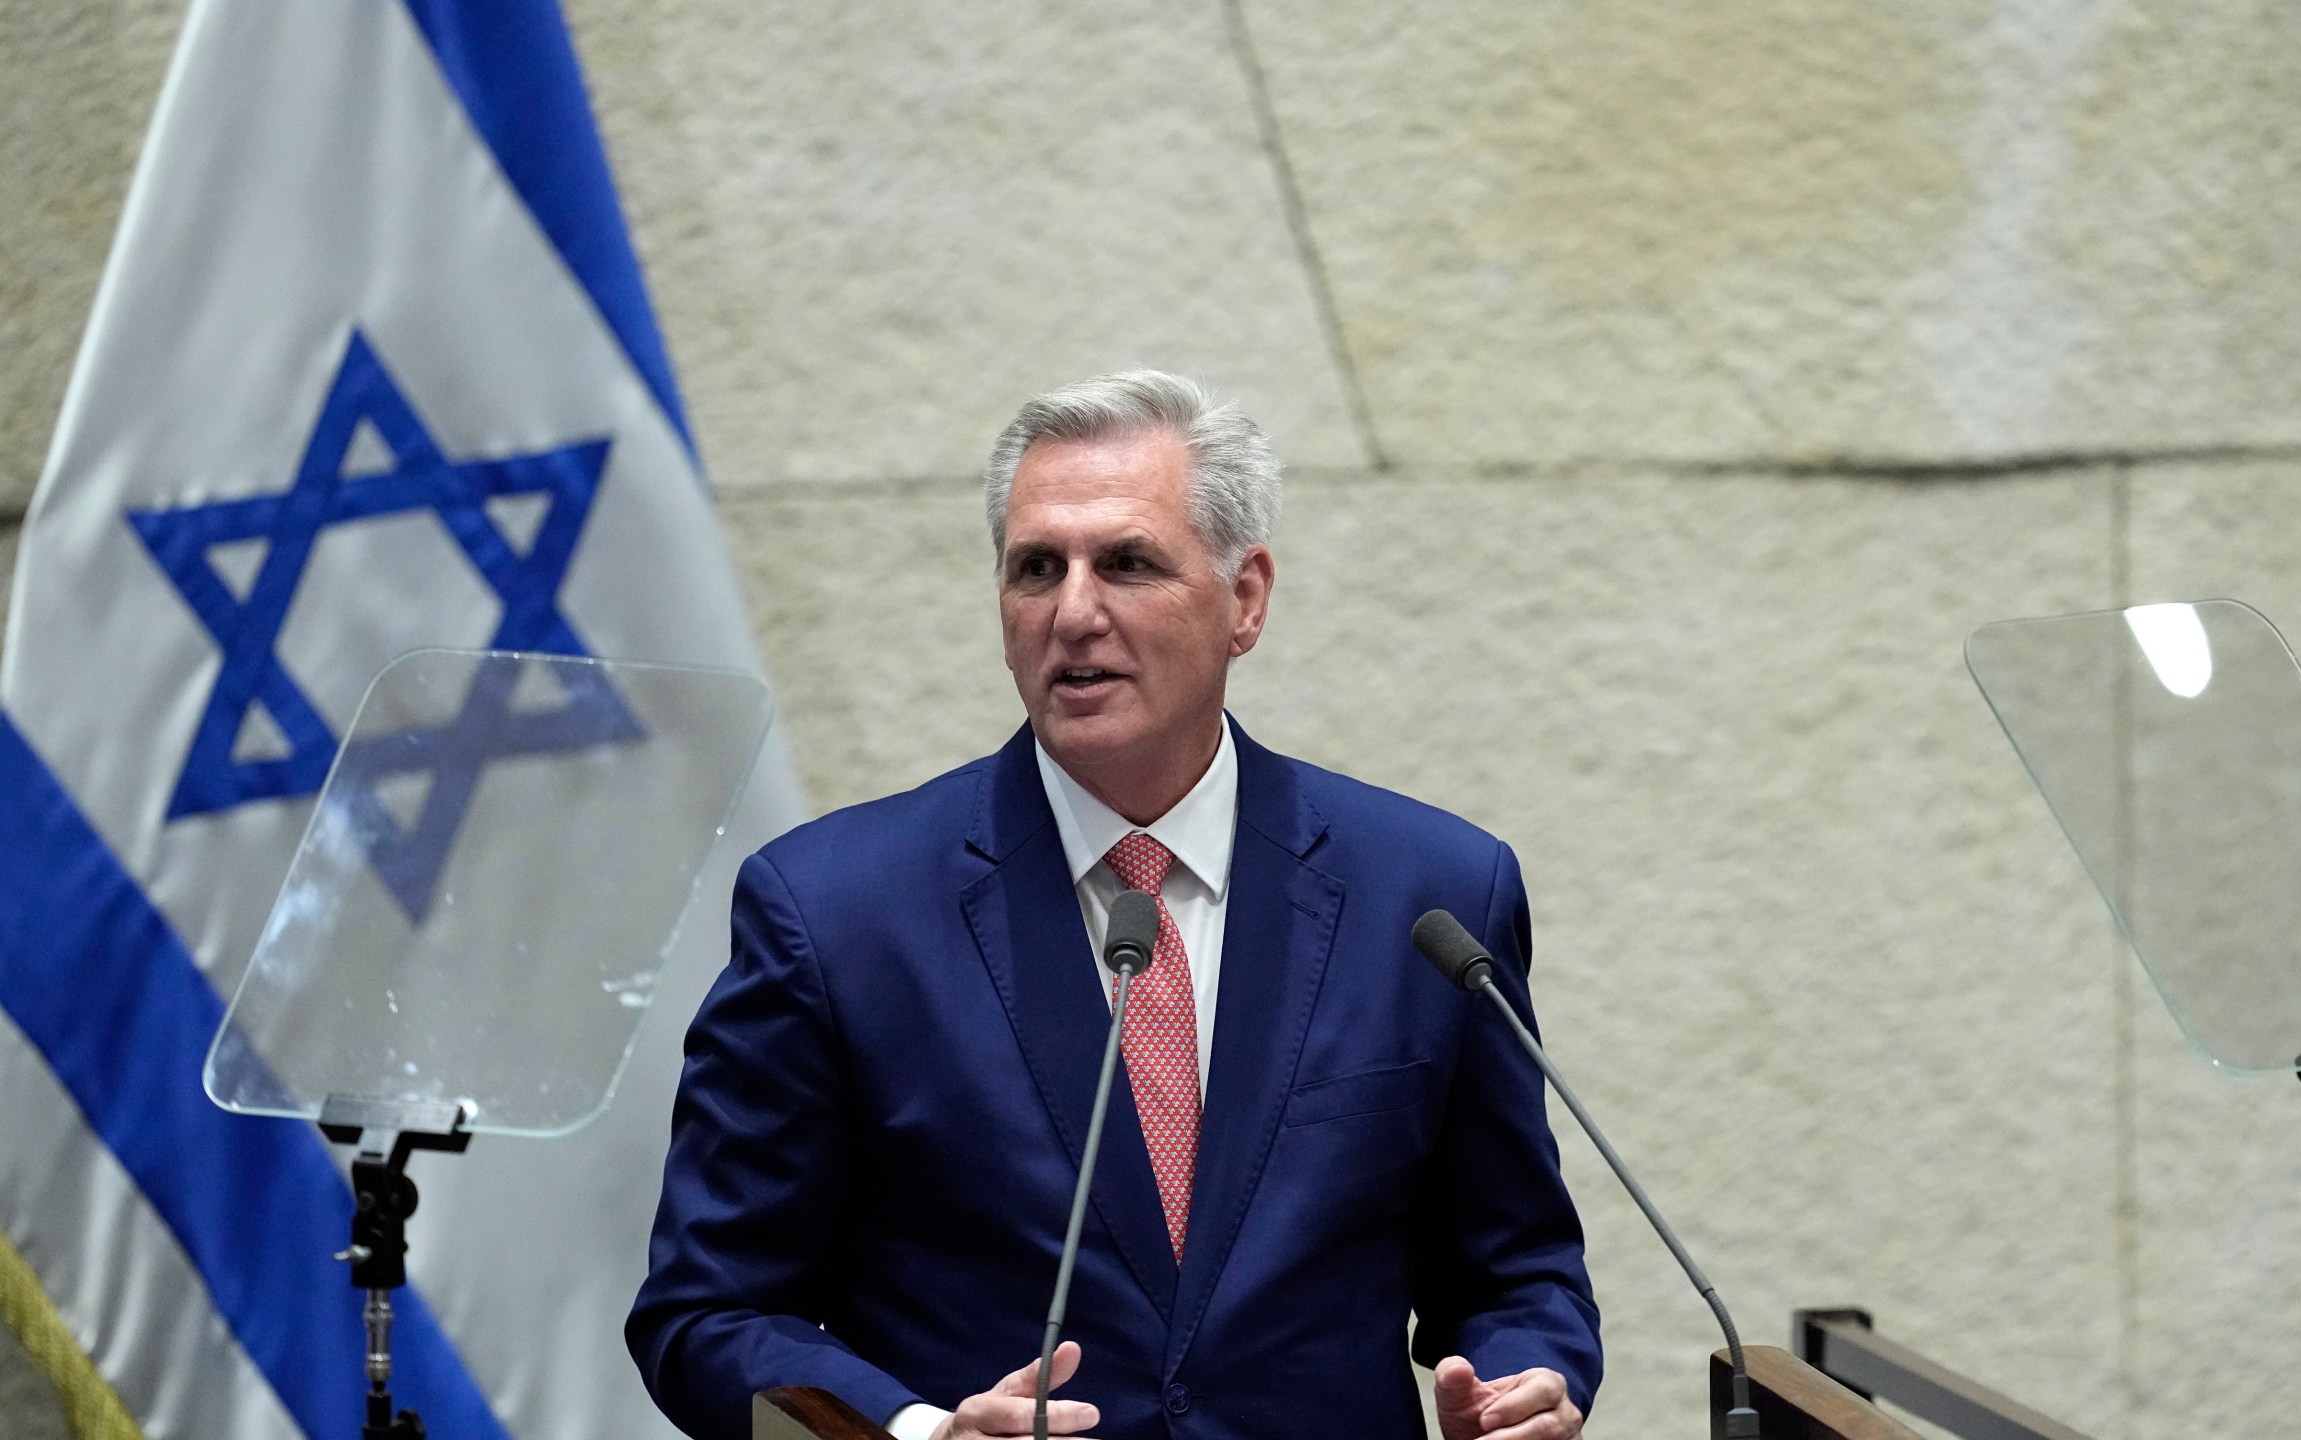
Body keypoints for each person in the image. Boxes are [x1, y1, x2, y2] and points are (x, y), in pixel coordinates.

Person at [628, 372, 1601, 1440]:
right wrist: (910, 1432)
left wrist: (1525, 1386)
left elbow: (1516, 1273)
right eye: (1036, 568)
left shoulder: (1430, 895)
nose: (1074, 612)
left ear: (1245, 598)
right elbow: (707, 1314)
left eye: (1128, 564)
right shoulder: (832, 911)